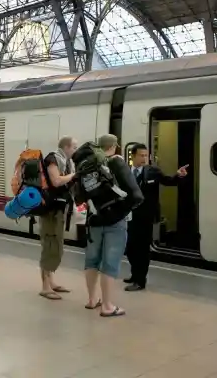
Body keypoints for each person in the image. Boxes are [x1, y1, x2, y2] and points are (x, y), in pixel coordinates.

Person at [72, 134, 143, 317]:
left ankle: (92, 300)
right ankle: (107, 306)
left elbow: (79, 196)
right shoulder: (116, 162)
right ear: (114, 146)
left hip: (93, 220)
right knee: (110, 264)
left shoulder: (86, 165)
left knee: (91, 261)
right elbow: (136, 196)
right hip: (115, 222)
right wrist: (122, 210)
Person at [124, 143, 188, 292]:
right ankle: (134, 274)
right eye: (141, 155)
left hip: (146, 216)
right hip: (129, 216)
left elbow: (169, 181)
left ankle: (140, 280)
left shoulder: (153, 171)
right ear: (133, 156)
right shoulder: (125, 171)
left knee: (142, 249)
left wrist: (178, 175)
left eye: (146, 156)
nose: (144, 158)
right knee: (130, 247)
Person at [38, 136, 78, 300]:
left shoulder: (66, 162)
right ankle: (45, 287)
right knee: (50, 246)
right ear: (66, 147)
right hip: (50, 211)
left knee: (56, 245)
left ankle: (51, 282)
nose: (75, 150)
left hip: (58, 210)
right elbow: (55, 181)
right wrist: (74, 175)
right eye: (74, 147)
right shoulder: (53, 159)